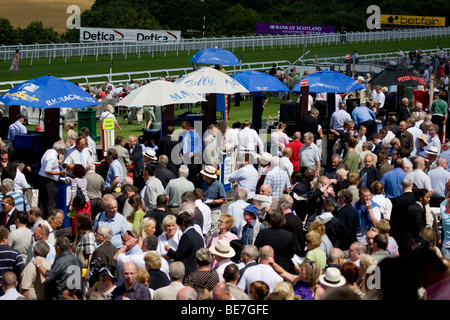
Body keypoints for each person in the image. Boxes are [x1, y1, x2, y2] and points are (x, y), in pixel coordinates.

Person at [165, 212, 205, 278]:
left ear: (183, 224)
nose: (180, 228)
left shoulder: (186, 236)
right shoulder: (199, 236)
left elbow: (178, 256)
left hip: (187, 273)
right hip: (197, 272)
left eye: (179, 226)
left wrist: (169, 249)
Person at [38, 140, 67, 219]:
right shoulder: (53, 157)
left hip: (42, 179)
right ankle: (50, 221)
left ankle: (42, 219)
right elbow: (47, 170)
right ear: (60, 149)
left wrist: (57, 163)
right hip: (49, 182)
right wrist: (60, 173)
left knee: (42, 202)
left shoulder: (49, 152)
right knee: (51, 203)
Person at [71, 213, 96, 284]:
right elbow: (73, 249)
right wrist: (77, 235)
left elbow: (91, 254)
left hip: (84, 269)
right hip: (76, 268)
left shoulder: (89, 235)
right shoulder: (81, 235)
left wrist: (89, 270)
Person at [68, 164, 91, 236]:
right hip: (86, 201)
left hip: (78, 203)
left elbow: (73, 193)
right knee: (86, 219)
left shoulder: (74, 180)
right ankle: (86, 233)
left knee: (76, 219)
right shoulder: (85, 180)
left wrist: (71, 204)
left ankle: (76, 235)